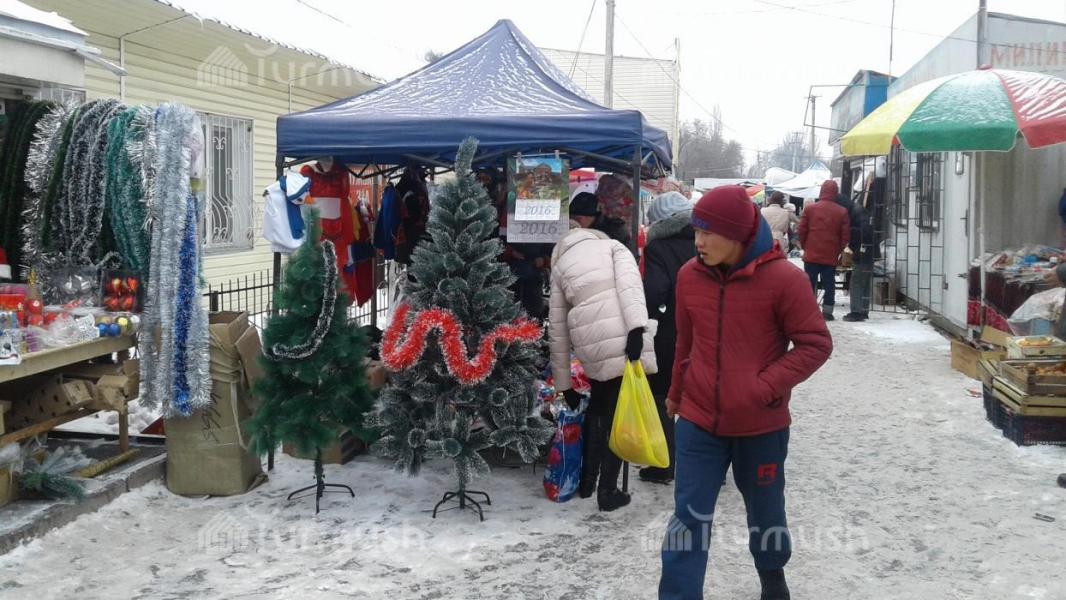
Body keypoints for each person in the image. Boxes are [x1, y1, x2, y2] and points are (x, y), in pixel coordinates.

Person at [658, 185, 833, 600]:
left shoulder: (785, 280)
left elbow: (815, 344)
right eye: (696, 231)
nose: (698, 242)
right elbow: (686, 342)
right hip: (699, 420)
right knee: (688, 517)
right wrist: (677, 393)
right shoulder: (689, 276)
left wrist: (763, 387)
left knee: (765, 511)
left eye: (707, 232)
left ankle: (772, 576)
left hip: (760, 425)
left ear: (736, 234)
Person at [551, 192, 658, 512]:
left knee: (599, 408)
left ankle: (588, 481)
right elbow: (631, 287)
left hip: (591, 344)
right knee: (620, 417)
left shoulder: (560, 266)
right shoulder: (613, 247)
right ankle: (608, 491)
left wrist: (564, 385)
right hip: (624, 337)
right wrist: (637, 329)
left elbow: (557, 327)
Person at [640, 191, 696, 484]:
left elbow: (655, 290)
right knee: (702, 393)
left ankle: (665, 464)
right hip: (710, 329)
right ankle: (709, 463)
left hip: (673, 329)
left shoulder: (659, 247)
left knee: (664, 392)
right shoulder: (708, 240)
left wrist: (650, 315)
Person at [798, 180, 850, 321]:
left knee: (809, 283)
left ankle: (808, 310)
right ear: (836, 192)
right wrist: (837, 250)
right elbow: (845, 236)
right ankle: (827, 311)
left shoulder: (810, 209)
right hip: (830, 254)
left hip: (811, 253)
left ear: (821, 191)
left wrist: (805, 246)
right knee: (829, 284)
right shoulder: (842, 211)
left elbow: (801, 230)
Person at [839, 179, 877, 322]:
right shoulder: (857, 210)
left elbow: (862, 232)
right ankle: (863, 310)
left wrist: (850, 238)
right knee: (865, 281)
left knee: (856, 280)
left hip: (863, 250)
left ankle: (856, 312)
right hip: (869, 249)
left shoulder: (855, 213)